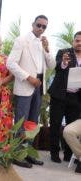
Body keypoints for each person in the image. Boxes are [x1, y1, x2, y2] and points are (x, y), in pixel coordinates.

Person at [6, 15, 56, 168]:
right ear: (33, 24)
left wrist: (47, 49)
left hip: (39, 87)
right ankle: (16, 154)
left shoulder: (43, 43)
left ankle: (27, 154)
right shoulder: (22, 40)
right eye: (39, 25)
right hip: (26, 85)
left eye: (44, 27)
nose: (41, 28)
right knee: (21, 122)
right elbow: (10, 63)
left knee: (32, 123)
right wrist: (28, 78)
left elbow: (52, 65)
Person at [48, 31, 81, 163]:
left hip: (76, 97)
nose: (79, 43)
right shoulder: (64, 52)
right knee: (55, 125)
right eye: (77, 40)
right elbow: (57, 67)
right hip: (59, 95)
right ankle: (54, 153)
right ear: (73, 41)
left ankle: (68, 155)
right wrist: (64, 63)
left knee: (70, 127)